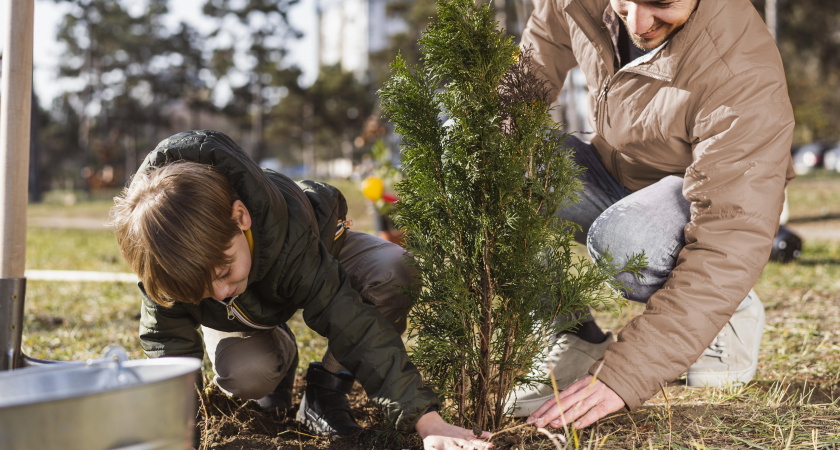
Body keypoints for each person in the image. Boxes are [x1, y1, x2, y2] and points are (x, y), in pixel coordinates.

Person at [505, 0, 795, 430]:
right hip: (615, 172)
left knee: (627, 242)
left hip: (708, 203)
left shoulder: (741, 70)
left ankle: (730, 313)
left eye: (661, 3)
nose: (637, 23)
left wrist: (624, 375)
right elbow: (542, 48)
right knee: (491, 158)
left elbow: (728, 235)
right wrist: (495, 134)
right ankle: (572, 336)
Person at [111, 130, 492, 450]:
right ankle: (280, 356)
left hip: (315, 251)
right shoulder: (163, 257)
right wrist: (178, 435)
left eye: (224, 271)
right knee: (248, 374)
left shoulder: (288, 233)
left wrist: (426, 421)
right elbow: (169, 349)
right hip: (249, 313)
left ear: (240, 216)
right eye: (200, 290)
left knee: (394, 272)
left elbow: (352, 323)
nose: (221, 290)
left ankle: (325, 390)